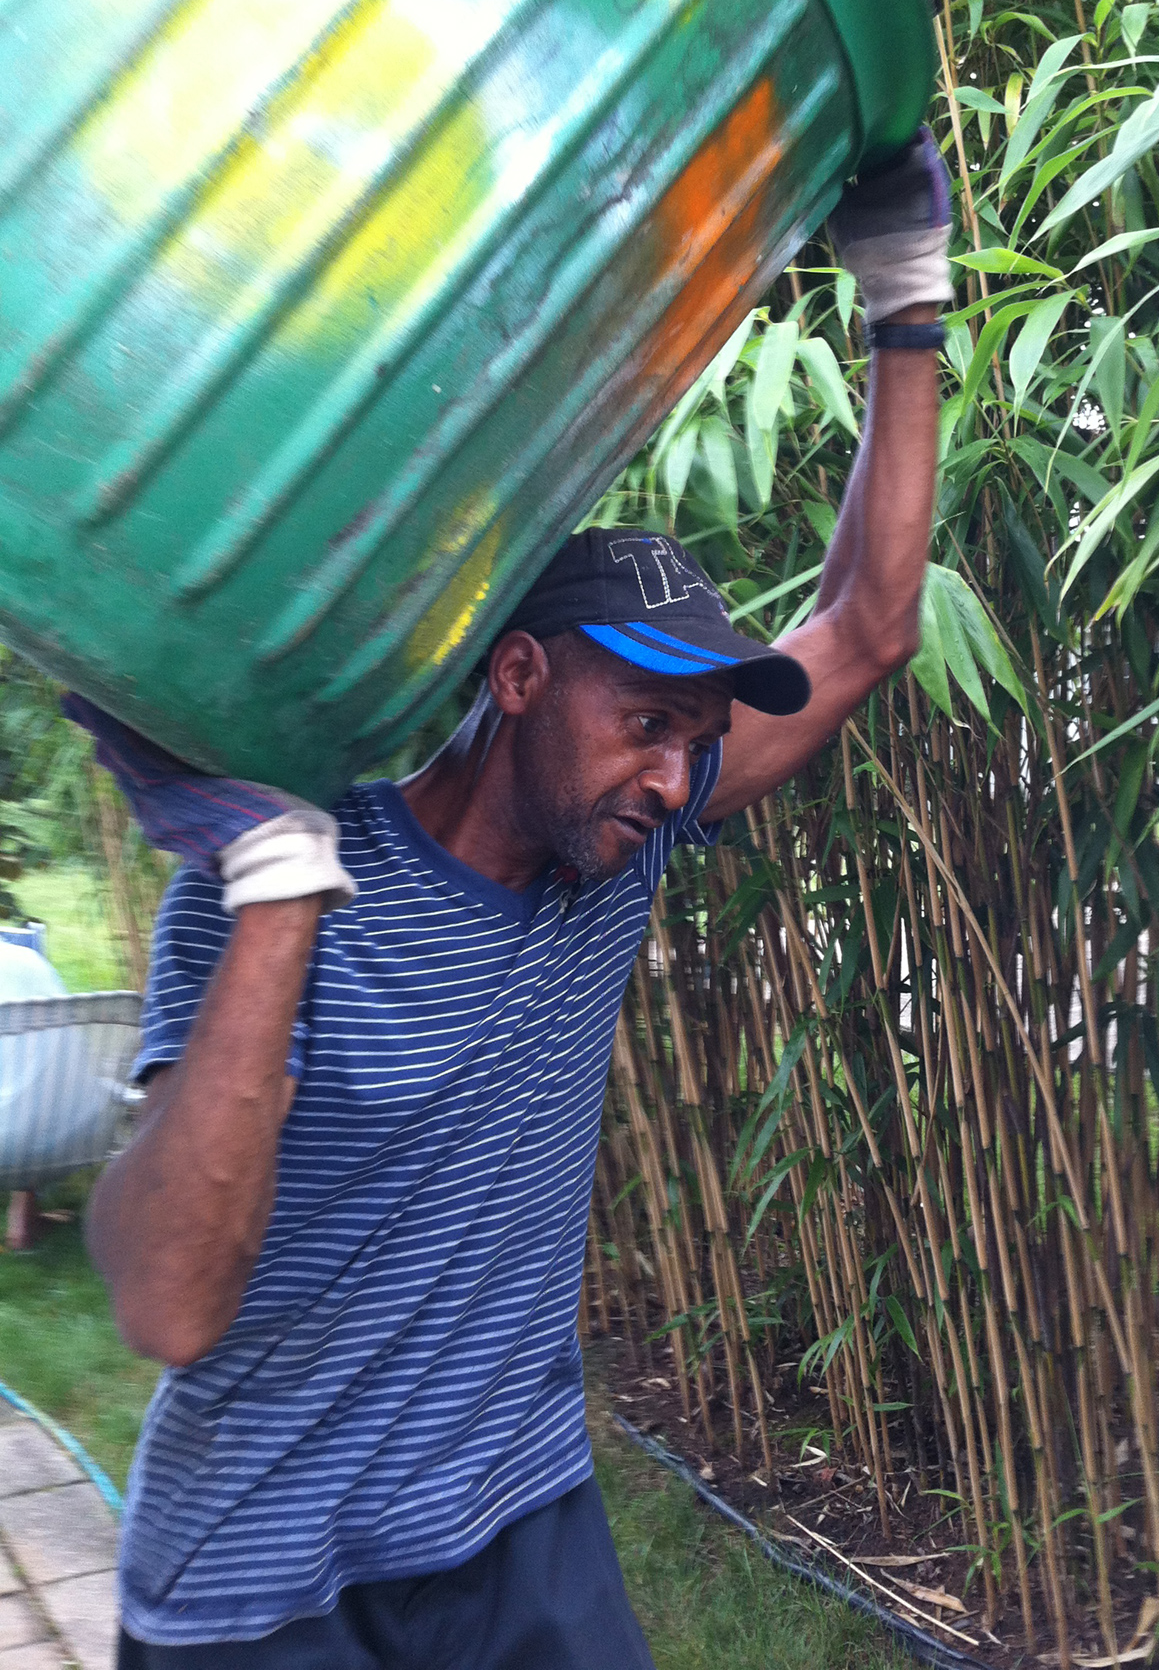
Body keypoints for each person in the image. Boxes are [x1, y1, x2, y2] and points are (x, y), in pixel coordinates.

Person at [73, 128, 954, 1668]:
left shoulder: (614, 850)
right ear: (521, 676)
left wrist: (905, 292)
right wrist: (277, 887)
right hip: (259, 1580)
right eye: (648, 723)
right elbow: (167, 1307)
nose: (676, 779)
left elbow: (868, 626)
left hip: (511, 1516)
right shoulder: (277, 866)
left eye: (694, 740)